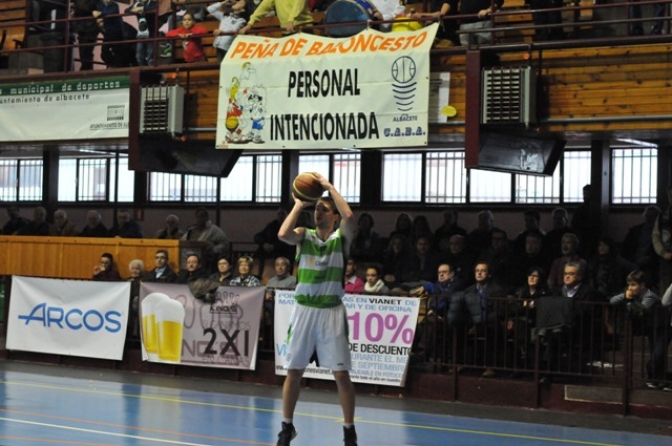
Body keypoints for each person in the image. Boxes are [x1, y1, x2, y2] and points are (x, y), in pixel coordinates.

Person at [276, 172, 358, 446]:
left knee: (341, 375)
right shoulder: (304, 236)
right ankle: (287, 427)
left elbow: (349, 215)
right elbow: (282, 234)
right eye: (316, 210)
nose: (318, 214)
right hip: (304, 311)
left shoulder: (341, 240)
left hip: (331, 312)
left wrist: (327, 187)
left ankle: (349, 430)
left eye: (324, 210)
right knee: (294, 372)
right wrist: (300, 204)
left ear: (333, 216)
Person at [610, 270, 669, 389]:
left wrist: (629, 300)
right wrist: (625, 297)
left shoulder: (649, 296)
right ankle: (657, 380)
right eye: (629, 285)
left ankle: (661, 378)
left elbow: (641, 312)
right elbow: (612, 301)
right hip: (653, 328)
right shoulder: (632, 294)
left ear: (642, 285)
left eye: (633, 285)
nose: (630, 288)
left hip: (664, 327)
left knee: (657, 355)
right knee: (657, 354)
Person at [447, 261, 506, 377]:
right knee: (455, 327)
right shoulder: (469, 291)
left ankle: (490, 367)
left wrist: (481, 322)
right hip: (472, 322)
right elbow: (464, 311)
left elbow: (499, 311)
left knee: (492, 329)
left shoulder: (497, 290)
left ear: (489, 274)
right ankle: (458, 363)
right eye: (477, 271)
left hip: (488, 321)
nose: (479, 273)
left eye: (483, 271)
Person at [621, 205, 660, 287]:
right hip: (632, 261)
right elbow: (625, 249)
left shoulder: (660, 234)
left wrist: (648, 259)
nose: (649, 219)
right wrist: (634, 260)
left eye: (653, 216)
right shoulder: (635, 231)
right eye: (647, 216)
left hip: (650, 264)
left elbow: (659, 252)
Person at [181, 207, 229, 272]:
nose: (200, 219)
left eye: (202, 216)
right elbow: (181, 241)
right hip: (190, 258)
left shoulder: (214, 230)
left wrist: (213, 249)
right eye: (198, 217)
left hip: (207, 261)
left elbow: (225, 244)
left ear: (206, 217)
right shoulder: (192, 230)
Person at [239, 0, 314, 35]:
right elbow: (263, 7)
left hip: (303, 28)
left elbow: (299, 4)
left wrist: (291, 20)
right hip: (287, 30)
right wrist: (250, 24)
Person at [652, 185, 672, 294]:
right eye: (670, 195)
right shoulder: (662, 216)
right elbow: (656, 236)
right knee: (666, 291)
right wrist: (663, 252)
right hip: (666, 258)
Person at [125, 0, 158, 66]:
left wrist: (142, 9)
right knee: (139, 56)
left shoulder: (153, 2)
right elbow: (126, 10)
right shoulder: (138, 3)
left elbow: (153, 8)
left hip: (151, 33)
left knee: (150, 57)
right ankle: (143, 73)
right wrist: (133, 10)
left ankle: (151, 73)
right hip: (141, 33)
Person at [72, 0, 99, 70]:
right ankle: (86, 72)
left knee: (86, 52)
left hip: (90, 26)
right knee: (84, 52)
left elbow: (87, 7)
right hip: (84, 25)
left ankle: (86, 72)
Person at [127, 258, 146, 341]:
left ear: (141, 270)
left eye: (137, 269)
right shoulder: (126, 281)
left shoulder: (144, 282)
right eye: (133, 268)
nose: (135, 271)